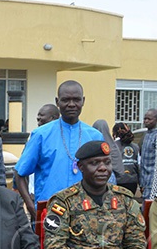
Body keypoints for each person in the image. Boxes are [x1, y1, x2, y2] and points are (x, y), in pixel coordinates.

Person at [14, 81, 106, 219]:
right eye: (66, 100)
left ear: (83, 101)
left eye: (76, 99)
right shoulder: (41, 135)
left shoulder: (95, 136)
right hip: (49, 213)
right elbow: (20, 173)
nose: (71, 104)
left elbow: (103, 176)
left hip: (87, 213)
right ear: (57, 102)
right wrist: (32, 207)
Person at [138, 109, 157, 199]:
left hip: (153, 179)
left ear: (156, 120)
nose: (146, 121)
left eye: (149, 119)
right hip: (144, 179)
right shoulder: (146, 135)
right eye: (145, 119)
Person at [113, 122, 140, 195]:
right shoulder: (135, 147)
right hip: (132, 181)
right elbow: (139, 165)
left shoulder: (113, 146)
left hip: (118, 181)